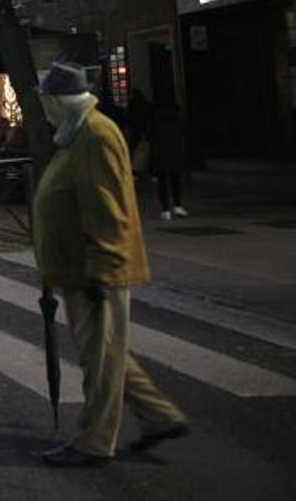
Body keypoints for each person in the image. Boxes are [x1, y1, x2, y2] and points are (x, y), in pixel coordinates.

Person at [32, 62, 189, 468]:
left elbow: (108, 209)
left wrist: (102, 267)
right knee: (106, 351)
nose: (42, 107)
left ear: (58, 100)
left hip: (94, 271)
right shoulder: (77, 132)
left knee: (98, 360)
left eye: (44, 99)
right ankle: (159, 417)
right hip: (78, 268)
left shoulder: (95, 135)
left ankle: (94, 441)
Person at [147, 102, 188, 221]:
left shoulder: (155, 123)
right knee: (176, 182)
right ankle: (178, 205)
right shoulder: (178, 122)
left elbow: (150, 140)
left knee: (162, 184)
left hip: (160, 158)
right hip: (175, 157)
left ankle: (165, 209)